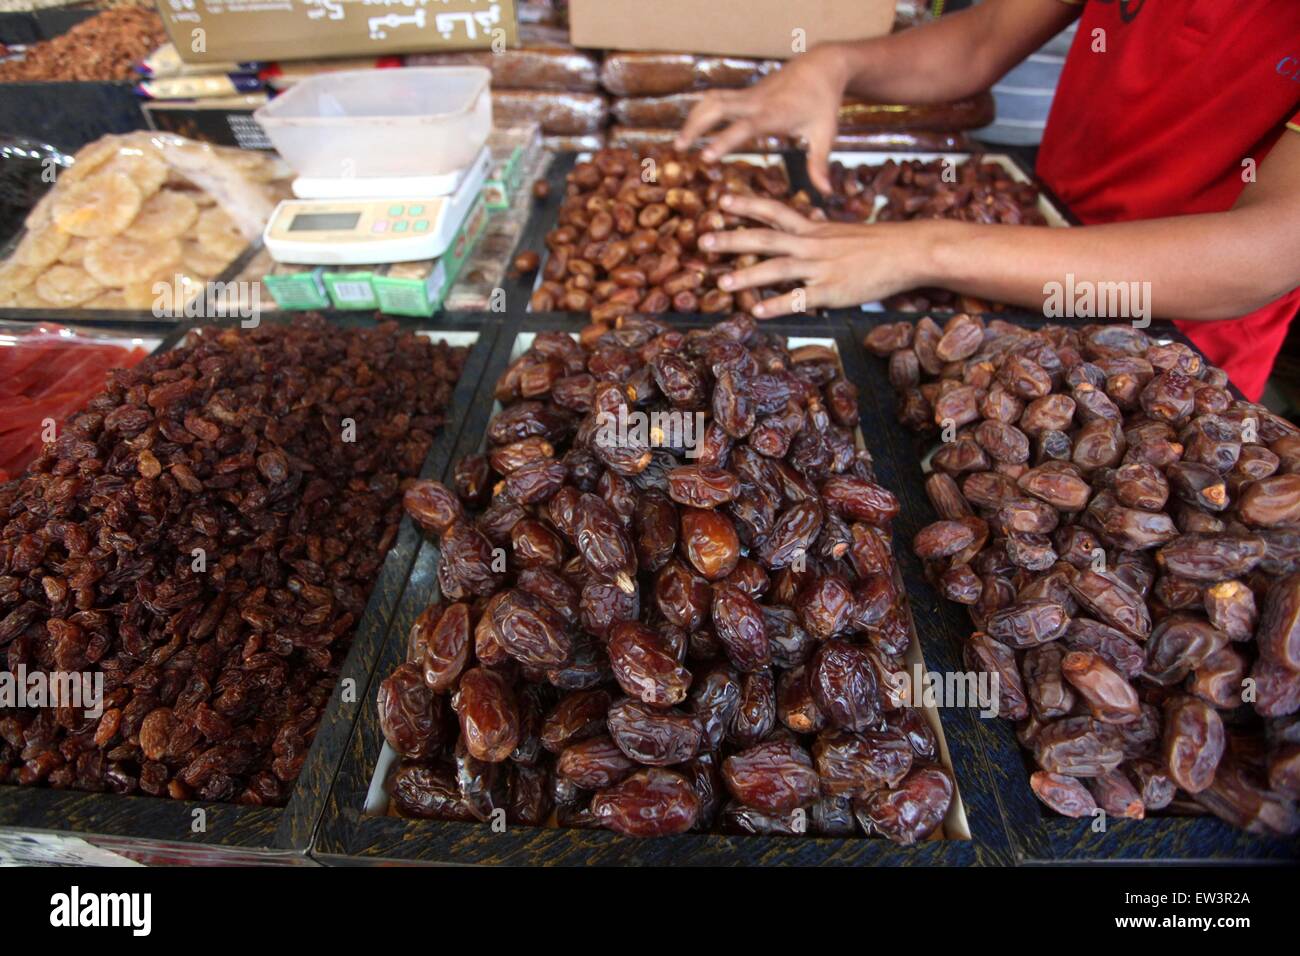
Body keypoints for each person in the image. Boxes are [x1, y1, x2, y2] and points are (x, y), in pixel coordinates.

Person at [674, 0, 1300, 402]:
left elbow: (1270, 249)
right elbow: (984, 39)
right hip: (1028, 229)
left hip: (1180, 343)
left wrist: (931, 246)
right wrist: (836, 65)